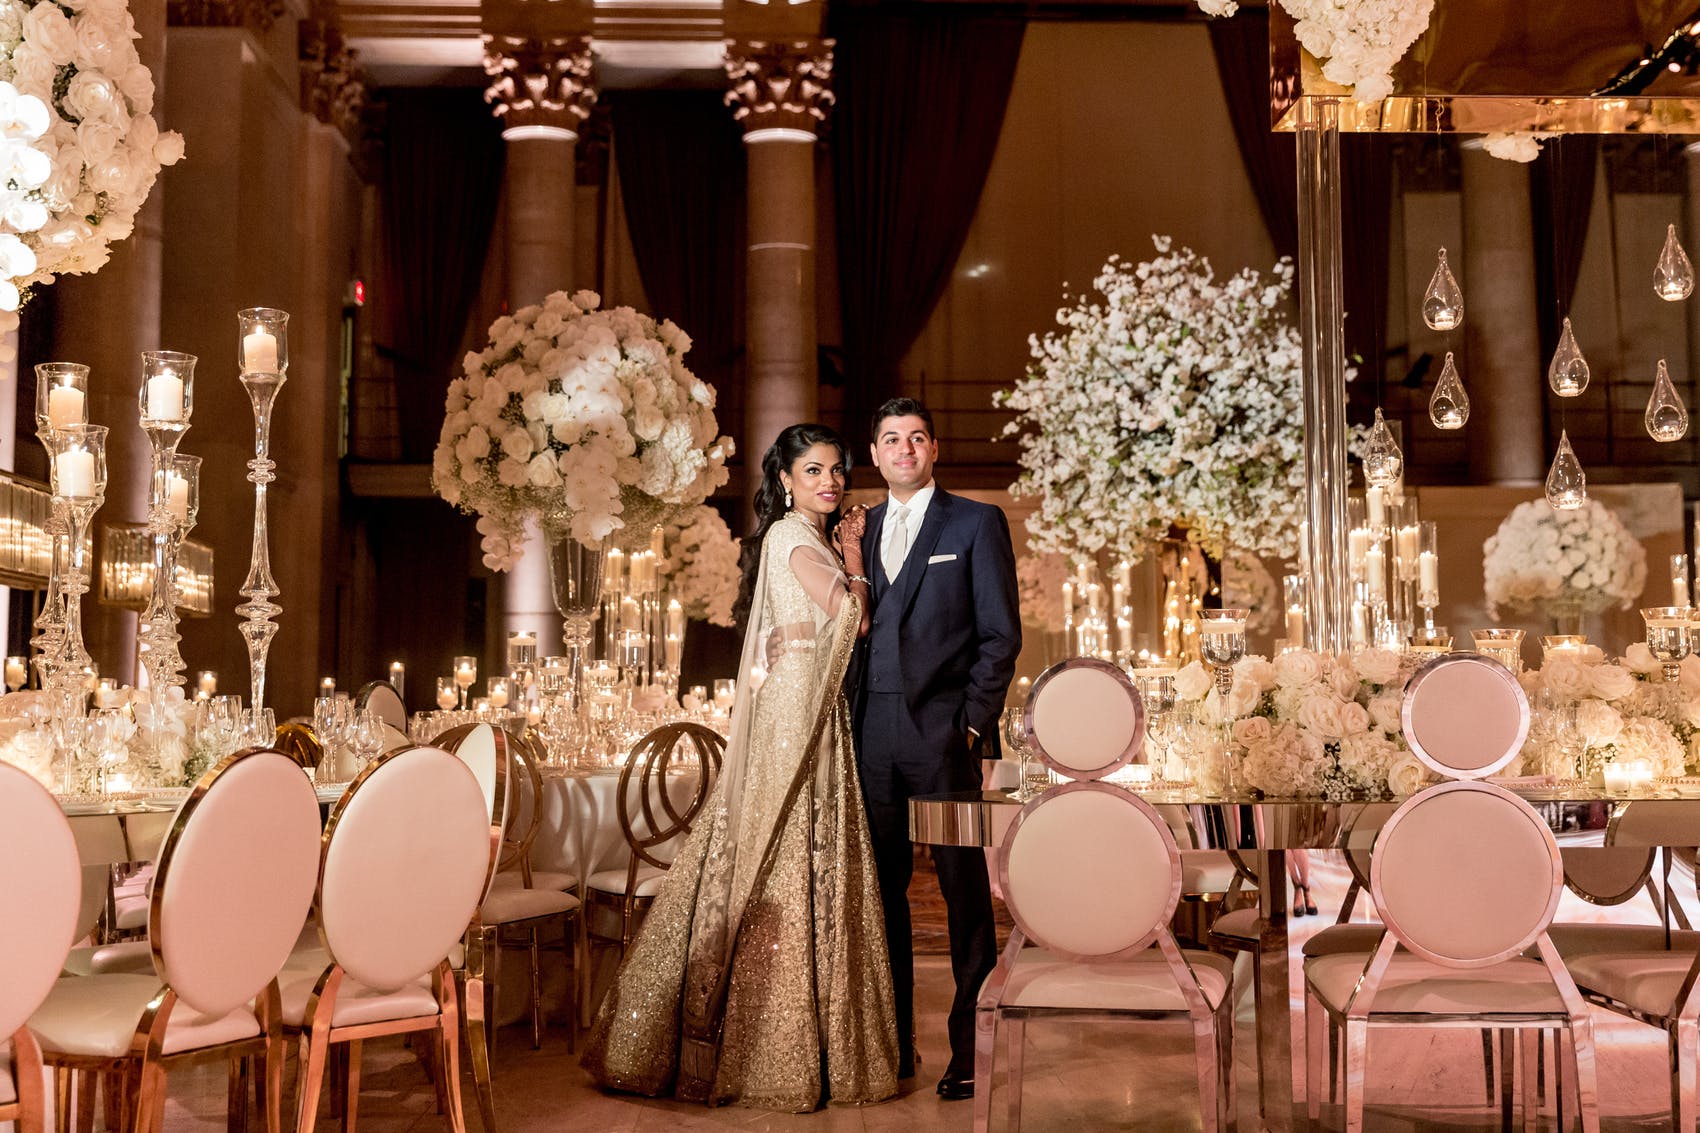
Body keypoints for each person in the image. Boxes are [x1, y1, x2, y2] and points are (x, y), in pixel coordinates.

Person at [582, 423, 899, 1111]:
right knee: (785, 847)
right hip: (797, 708)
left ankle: (788, 1040)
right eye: (813, 470)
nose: (830, 481)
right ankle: (767, 1048)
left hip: (803, 699)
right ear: (785, 480)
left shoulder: (794, 539)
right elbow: (852, 619)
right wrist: (854, 555)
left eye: (836, 470)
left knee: (790, 846)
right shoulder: (794, 537)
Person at [853, 397, 1022, 1101]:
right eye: (891, 438)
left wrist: (972, 723)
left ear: (933, 448)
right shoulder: (855, 533)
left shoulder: (976, 523)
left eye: (916, 437)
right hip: (870, 731)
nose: (904, 448)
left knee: (963, 893)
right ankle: (892, 1044)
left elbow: (1000, 636)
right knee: (882, 890)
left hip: (945, 733)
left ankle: (969, 1049)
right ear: (875, 452)